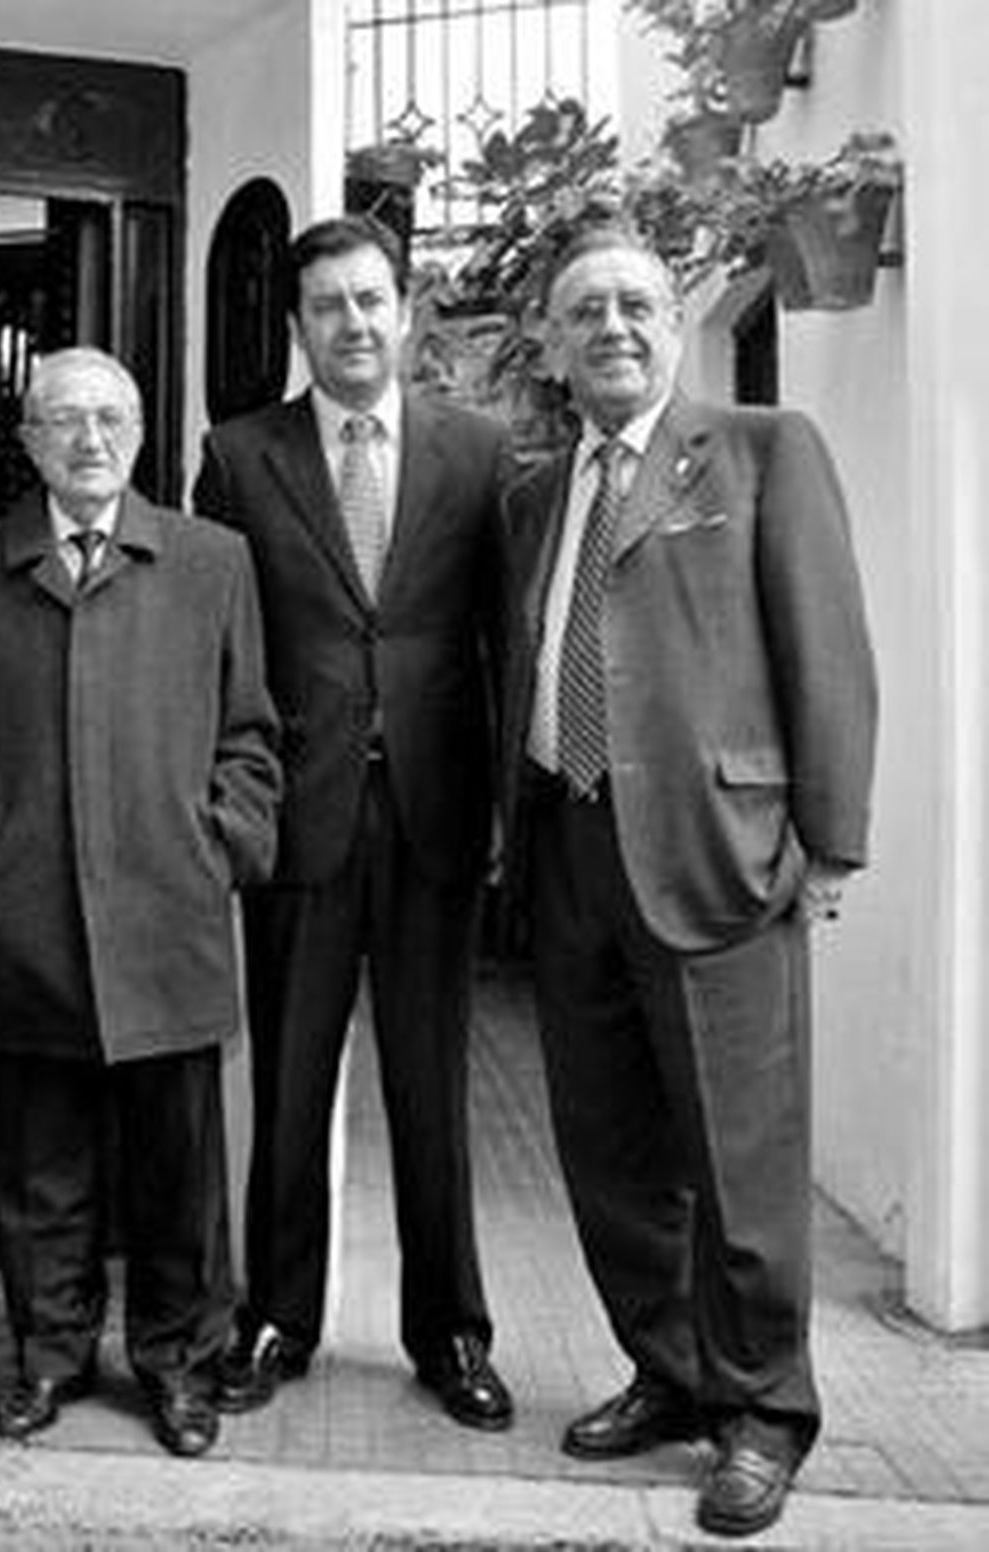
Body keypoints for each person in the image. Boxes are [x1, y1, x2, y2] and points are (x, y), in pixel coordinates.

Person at [499, 225, 877, 1538]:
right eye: (583, 309)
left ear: (672, 322)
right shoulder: (537, 492)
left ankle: (763, 1412)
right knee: (608, 1152)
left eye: (635, 303)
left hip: (722, 860)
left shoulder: (764, 453)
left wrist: (826, 844)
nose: (611, 324)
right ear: (550, 345)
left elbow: (826, 651)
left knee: (742, 1158)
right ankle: (668, 1375)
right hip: (570, 847)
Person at [0, 347, 280, 1460]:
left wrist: (219, 845)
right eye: (62, 419)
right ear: (27, 440)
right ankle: (48, 1356)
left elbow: (250, 735)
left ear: (140, 431)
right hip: (28, 926)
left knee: (181, 1177)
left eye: (110, 416)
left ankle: (178, 1364)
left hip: (172, 917)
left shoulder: (213, 563)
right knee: (43, 1171)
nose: (87, 438)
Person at [192, 214, 512, 1429]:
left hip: (434, 813)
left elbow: (506, 638)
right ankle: (277, 1318)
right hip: (297, 820)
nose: (354, 323)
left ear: (407, 307)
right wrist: (228, 804)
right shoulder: (238, 457)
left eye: (371, 299)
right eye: (327, 305)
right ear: (298, 325)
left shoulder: (479, 454)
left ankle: (450, 1333)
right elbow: (213, 645)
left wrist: (504, 817)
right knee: (288, 1077)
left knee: (432, 1089)